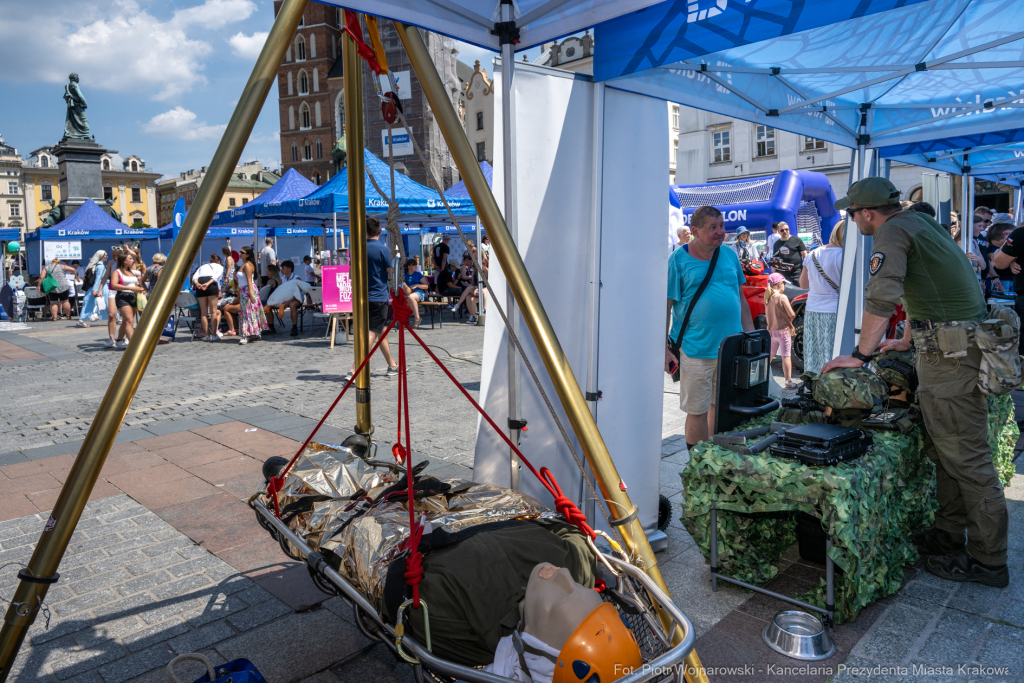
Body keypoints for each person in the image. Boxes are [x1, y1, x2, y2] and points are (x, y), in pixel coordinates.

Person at [824, 177, 1008, 588]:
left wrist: (861, 354)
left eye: (852, 214)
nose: (851, 220)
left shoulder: (891, 231)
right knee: (948, 452)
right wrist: (906, 339)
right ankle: (948, 534)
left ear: (866, 213)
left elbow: (882, 294)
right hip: (950, 350)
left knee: (968, 460)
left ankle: (989, 560)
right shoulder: (919, 224)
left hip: (951, 358)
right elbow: (926, 288)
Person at [665, 206, 754, 450]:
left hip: (730, 348)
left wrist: (752, 337)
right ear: (695, 231)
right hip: (696, 349)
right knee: (697, 410)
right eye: (712, 228)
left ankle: (714, 458)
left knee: (719, 405)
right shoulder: (678, 260)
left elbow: (741, 299)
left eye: (722, 226)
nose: (720, 232)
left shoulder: (729, 255)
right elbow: (666, 306)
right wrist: (664, 349)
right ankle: (698, 465)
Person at [347, 217, 398, 379]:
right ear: (380, 231)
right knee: (373, 332)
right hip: (378, 297)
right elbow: (392, 275)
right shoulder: (384, 250)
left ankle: (392, 365)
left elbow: (350, 275)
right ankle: (355, 369)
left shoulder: (357, 249)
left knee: (381, 330)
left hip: (361, 298)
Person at [799, 220, 845, 374]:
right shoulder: (844, 255)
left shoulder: (812, 254)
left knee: (813, 354)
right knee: (833, 355)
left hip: (812, 310)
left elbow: (803, 284)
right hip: (835, 311)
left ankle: (814, 388)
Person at [765, 272, 797, 388]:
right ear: (779, 284)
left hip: (771, 332)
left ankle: (762, 376)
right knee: (785, 356)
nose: (785, 286)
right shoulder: (782, 297)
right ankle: (788, 382)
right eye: (784, 284)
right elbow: (791, 314)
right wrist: (791, 320)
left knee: (769, 355)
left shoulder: (768, 298)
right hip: (783, 331)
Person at [109, 252, 145, 349]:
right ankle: (134, 344)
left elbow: (135, 284)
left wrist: (139, 288)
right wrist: (132, 289)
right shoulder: (116, 272)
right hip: (123, 296)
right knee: (129, 321)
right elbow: (114, 285)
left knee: (126, 321)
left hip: (133, 296)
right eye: (130, 258)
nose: (133, 260)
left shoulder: (131, 272)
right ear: (124, 261)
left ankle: (120, 340)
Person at [234, 246, 268, 344]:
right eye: (240, 251)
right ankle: (253, 333)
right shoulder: (244, 264)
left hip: (248, 290)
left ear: (248, 255)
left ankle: (245, 335)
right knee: (247, 313)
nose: (240, 253)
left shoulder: (248, 265)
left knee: (247, 313)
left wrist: (251, 295)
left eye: (242, 252)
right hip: (244, 290)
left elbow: (249, 281)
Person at [192, 254, 224, 341]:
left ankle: (206, 335)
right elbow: (216, 278)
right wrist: (208, 284)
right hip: (211, 284)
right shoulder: (220, 267)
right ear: (219, 262)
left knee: (203, 313)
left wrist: (198, 284)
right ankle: (214, 335)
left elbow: (194, 277)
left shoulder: (203, 266)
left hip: (200, 282)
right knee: (213, 311)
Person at [77, 250, 108, 328]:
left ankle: (81, 319)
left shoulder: (94, 265)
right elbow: (99, 279)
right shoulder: (100, 266)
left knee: (88, 303)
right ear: (101, 256)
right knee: (107, 303)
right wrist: (95, 289)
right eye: (105, 255)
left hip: (95, 287)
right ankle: (116, 317)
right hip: (100, 287)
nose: (106, 256)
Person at [276, 260, 303, 336]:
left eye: (283, 268)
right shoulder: (282, 279)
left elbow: (297, 294)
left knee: (292, 305)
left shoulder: (297, 278)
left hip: (296, 299)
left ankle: (294, 327)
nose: (281, 269)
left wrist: (288, 301)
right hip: (286, 299)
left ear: (289, 269)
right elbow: (279, 292)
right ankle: (271, 327)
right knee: (269, 305)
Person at [105, 245, 123, 348]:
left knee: (126, 317)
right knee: (112, 314)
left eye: (118, 255)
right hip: (113, 290)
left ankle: (121, 338)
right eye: (114, 255)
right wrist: (98, 289)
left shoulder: (127, 263)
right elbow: (106, 276)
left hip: (124, 290)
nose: (116, 257)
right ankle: (111, 338)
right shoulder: (111, 263)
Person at [403, 258, 428, 326]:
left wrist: (416, 285)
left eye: (415, 265)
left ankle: (417, 318)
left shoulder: (418, 274)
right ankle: (404, 319)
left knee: (410, 297)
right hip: (406, 292)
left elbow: (426, 286)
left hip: (418, 292)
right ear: (408, 266)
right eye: (413, 265)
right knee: (405, 298)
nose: (415, 267)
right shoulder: (404, 275)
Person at [260, 264, 282, 334]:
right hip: (275, 299)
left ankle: (268, 326)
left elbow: (264, 293)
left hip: (270, 300)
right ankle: (269, 326)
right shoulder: (278, 280)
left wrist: (261, 287)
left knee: (263, 305)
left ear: (271, 272)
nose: (266, 273)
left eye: (267, 272)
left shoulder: (271, 280)